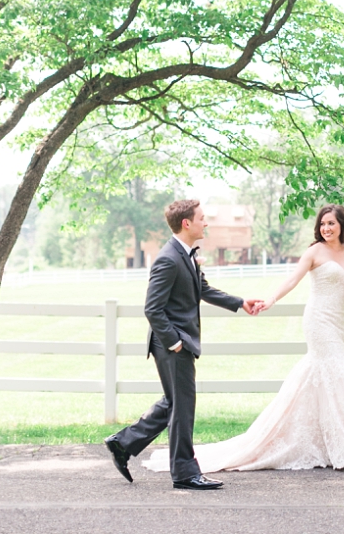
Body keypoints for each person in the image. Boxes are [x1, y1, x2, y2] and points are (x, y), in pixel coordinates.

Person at [143, 203, 344, 473]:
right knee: (335, 370)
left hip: (337, 321)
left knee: (332, 373)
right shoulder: (314, 251)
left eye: (331, 224)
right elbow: (292, 280)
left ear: (342, 225)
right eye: (323, 224)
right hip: (318, 321)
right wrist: (270, 300)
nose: (326, 228)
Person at [104, 199, 261, 490]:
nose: (206, 223)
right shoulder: (168, 258)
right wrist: (174, 342)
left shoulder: (185, 253)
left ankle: (123, 444)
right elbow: (152, 308)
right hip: (172, 345)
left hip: (177, 343)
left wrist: (240, 303)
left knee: (174, 403)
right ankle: (185, 473)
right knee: (183, 407)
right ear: (187, 223)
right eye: (202, 218)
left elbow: (202, 289)